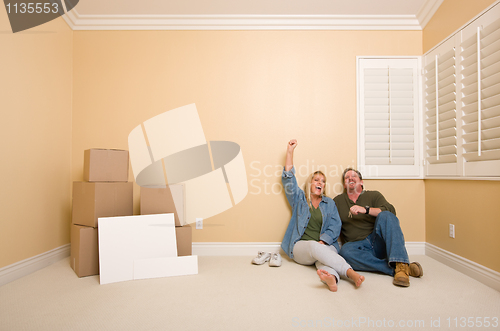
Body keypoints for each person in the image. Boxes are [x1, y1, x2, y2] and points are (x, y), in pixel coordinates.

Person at [281, 140, 364, 291]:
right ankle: (350, 273)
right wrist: (290, 152)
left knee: (324, 258)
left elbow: (335, 225)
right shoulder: (299, 199)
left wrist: (324, 241)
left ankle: (331, 279)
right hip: (302, 248)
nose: (321, 183)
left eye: (323, 181)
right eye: (317, 180)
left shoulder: (329, 203)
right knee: (314, 247)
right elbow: (288, 179)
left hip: (324, 246)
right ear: (310, 183)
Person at [333, 168, 423, 287]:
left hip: (377, 241)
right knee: (344, 252)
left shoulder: (373, 195)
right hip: (357, 248)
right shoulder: (338, 201)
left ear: (361, 182)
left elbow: (391, 211)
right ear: (344, 184)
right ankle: (398, 269)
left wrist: (366, 210)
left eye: (354, 176)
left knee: (386, 215)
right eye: (347, 177)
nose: (350, 178)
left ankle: (401, 262)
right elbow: (330, 221)